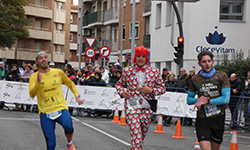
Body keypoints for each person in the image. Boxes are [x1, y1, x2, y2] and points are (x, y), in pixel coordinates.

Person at [29, 51, 83, 150]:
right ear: (37, 62)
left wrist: (77, 96)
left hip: (60, 107)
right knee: (51, 145)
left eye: (45, 57)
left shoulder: (58, 72)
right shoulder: (34, 77)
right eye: (40, 58)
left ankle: (69, 143)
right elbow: (32, 94)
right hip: (45, 111)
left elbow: (70, 83)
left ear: (48, 60)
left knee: (69, 127)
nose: (43, 59)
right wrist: (38, 83)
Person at [116, 46, 166, 150]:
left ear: (146, 58)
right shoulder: (127, 71)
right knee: (137, 137)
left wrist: (151, 91)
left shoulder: (155, 71)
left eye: (143, 56)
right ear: (135, 58)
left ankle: (135, 147)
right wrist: (122, 93)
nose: (141, 58)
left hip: (147, 109)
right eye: (139, 56)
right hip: (132, 108)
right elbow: (119, 85)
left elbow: (163, 88)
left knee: (140, 137)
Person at [187, 51, 230, 150]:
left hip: (218, 117)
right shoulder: (195, 79)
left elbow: (226, 98)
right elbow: (189, 100)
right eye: (204, 61)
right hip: (202, 119)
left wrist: (209, 101)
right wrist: (198, 100)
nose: (207, 64)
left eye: (209, 61)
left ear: (213, 62)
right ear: (199, 64)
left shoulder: (222, 76)